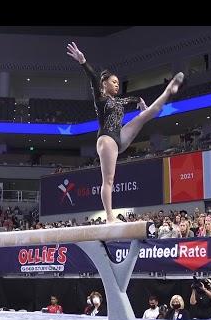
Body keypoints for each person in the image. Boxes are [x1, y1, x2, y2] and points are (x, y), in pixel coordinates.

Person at [67, 42, 184, 224]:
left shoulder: (118, 101)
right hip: (106, 140)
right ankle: (109, 217)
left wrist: (139, 101)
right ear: (104, 84)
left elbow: (131, 99)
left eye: (118, 83)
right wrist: (83, 61)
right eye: (113, 82)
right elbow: (92, 77)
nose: (116, 85)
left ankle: (169, 90)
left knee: (146, 114)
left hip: (119, 136)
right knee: (108, 180)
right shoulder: (101, 98)